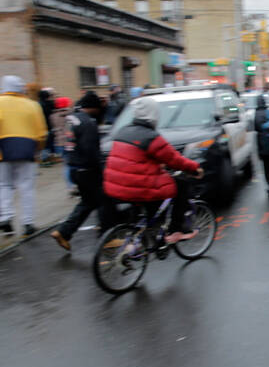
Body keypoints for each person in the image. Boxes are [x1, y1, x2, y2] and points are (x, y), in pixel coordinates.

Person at [101, 96, 203, 244]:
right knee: (181, 184)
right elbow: (174, 160)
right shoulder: (151, 137)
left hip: (114, 186)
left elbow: (134, 159)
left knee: (148, 199)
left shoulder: (123, 131)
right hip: (138, 187)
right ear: (154, 114)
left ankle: (144, 235)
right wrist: (195, 168)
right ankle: (177, 230)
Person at [50, 91, 111, 251]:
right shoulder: (88, 123)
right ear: (93, 107)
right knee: (105, 200)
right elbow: (90, 149)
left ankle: (64, 232)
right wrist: (101, 169)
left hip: (74, 168)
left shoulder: (73, 119)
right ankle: (108, 237)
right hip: (88, 169)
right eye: (98, 108)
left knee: (88, 202)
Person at [0, 75, 48, 237]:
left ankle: (6, 216)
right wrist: (38, 150)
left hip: (2, 149)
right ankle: (27, 223)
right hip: (27, 148)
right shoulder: (32, 105)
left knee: (4, 184)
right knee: (26, 186)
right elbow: (41, 133)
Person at [254, 95, 269, 198]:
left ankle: (267, 182)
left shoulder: (256, 114)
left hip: (261, 143)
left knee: (265, 165)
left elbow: (256, 129)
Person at [49, 96, 75, 192]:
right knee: (72, 164)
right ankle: (74, 184)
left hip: (59, 142)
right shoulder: (71, 114)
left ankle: (69, 186)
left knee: (66, 165)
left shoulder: (53, 116)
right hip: (70, 141)